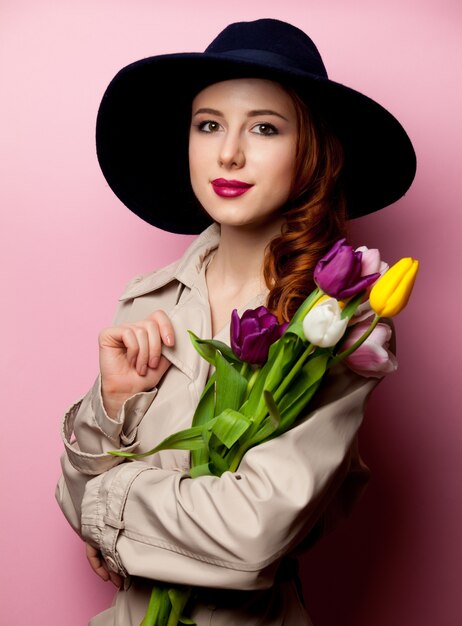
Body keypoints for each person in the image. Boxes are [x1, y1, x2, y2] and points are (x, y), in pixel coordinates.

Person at [55, 18, 416, 626]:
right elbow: (74, 493)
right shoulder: (149, 302)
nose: (229, 152)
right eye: (209, 124)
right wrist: (113, 406)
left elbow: (252, 537)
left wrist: (108, 516)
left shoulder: (337, 325)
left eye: (265, 128)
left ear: (310, 150)